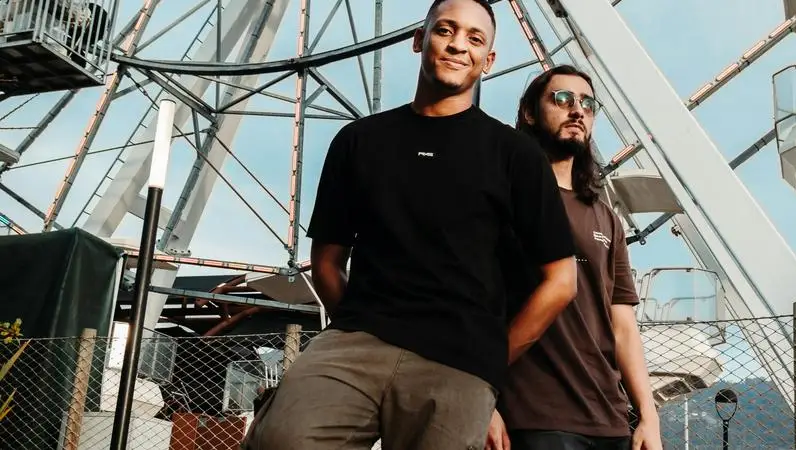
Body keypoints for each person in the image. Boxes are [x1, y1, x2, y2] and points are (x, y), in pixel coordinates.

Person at [241, 1, 578, 449]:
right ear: (420, 40)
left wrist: (494, 360)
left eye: (475, 39)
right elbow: (326, 260)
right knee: (281, 439)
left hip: (460, 358)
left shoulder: (515, 155)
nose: (459, 45)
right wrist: (356, 323)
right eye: (445, 31)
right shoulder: (359, 141)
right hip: (356, 342)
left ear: (489, 60)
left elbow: (561, 280)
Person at [486, 65, 663, 450]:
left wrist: (648, 417)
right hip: (534, 414)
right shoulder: (503, 200)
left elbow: (623, 327)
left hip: (610, 418)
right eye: (562, 99)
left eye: (588, 103)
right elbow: (471, 304)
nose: (577, 110)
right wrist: (483, 401)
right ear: (530, 113)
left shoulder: (606, 218)